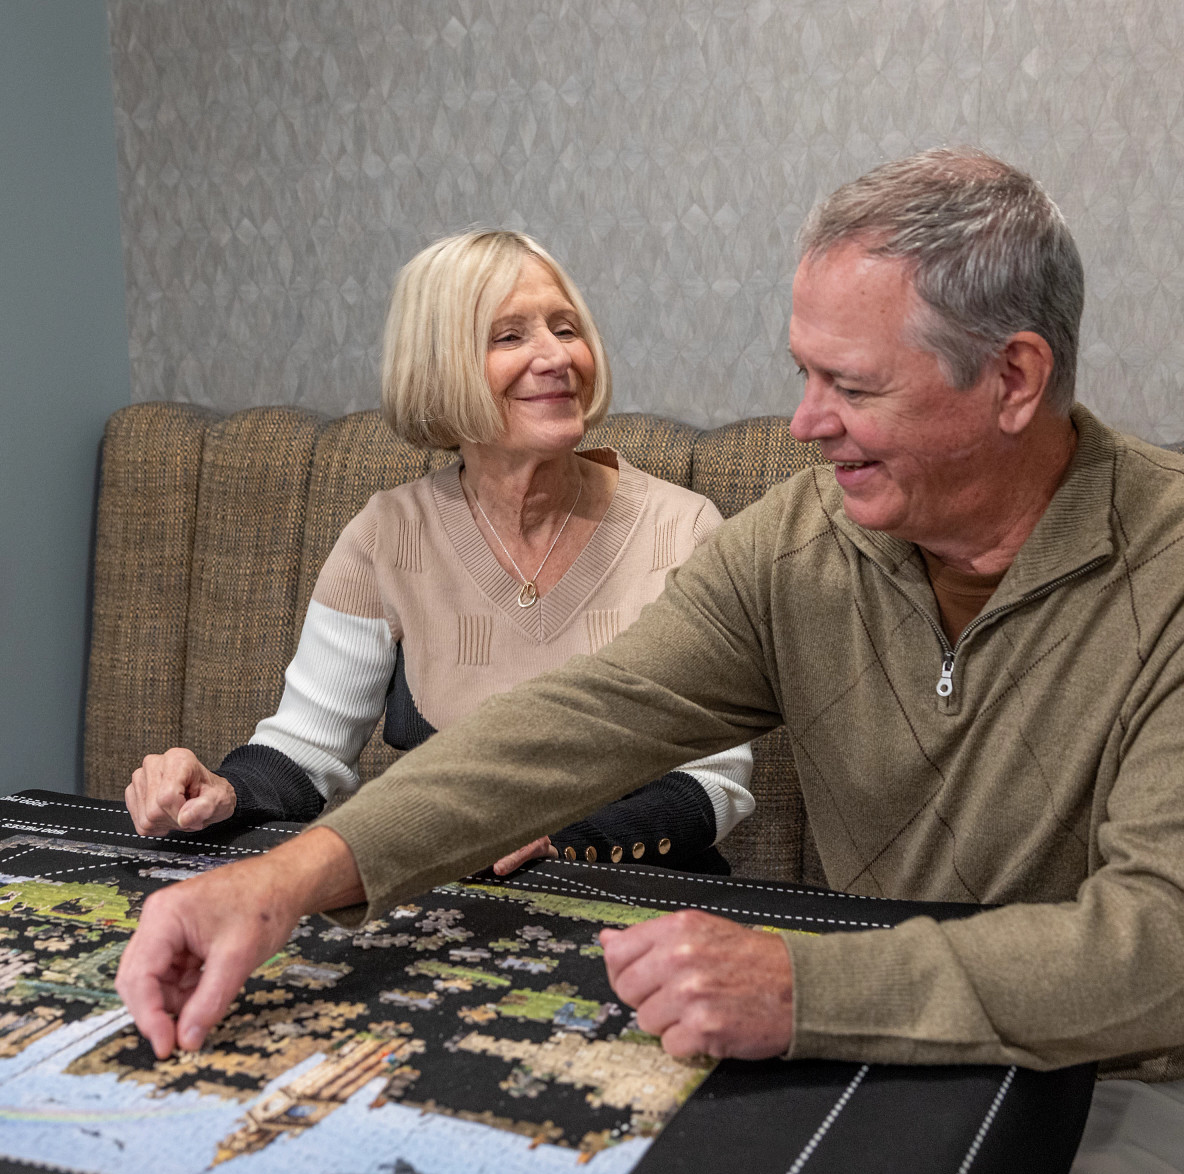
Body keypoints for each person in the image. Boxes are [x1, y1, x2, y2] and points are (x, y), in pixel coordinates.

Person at [117, 151, 1184, 1174]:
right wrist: (276, 880)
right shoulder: (803, 538)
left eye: (849, 386)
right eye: (801, 373)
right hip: (893, 1054)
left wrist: (802, 988)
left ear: (1013, 377)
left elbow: (1166, 955)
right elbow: (578, 721)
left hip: (1167, 1074)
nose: (805, 422)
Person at [122, 229, 755, 880]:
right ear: (438, 366)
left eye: (565, 329)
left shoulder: (681, 530)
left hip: (642, 901)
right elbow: (308, 748)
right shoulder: (388, 535)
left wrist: (563, 838)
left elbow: (714, 780)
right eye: (509, 336)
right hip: (458, 902)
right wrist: (223, 792)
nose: (556, 356)